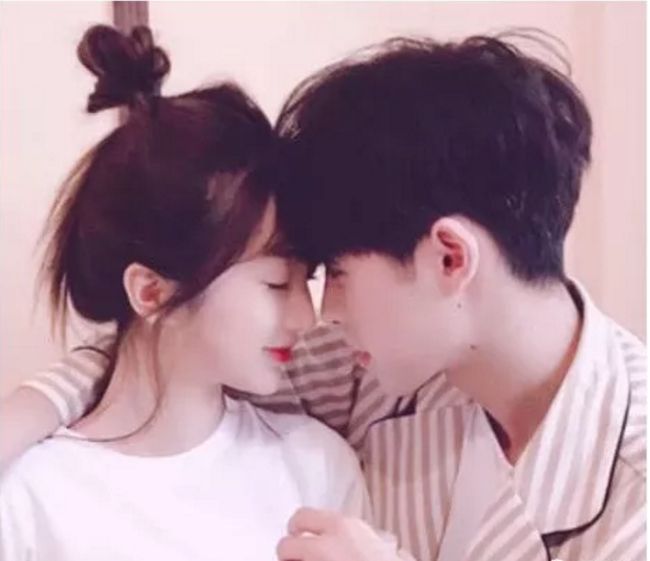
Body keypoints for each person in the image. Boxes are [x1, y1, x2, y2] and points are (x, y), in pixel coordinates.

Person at [2, 32, 645, 561]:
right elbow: (167, 351)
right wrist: (28, 415)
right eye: (288, 280)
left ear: (450, 258)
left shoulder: (634, 497)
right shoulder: (381, 369)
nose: (318, 314)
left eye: (333, 272)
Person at [0, 24, 369, 561]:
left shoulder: (316, 466)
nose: (304, 316)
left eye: (305, 279)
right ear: (150, 292)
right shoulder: (31, 495)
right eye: (274, 282)